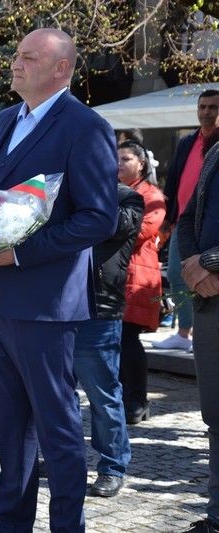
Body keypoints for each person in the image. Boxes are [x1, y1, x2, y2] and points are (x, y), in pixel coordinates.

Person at [0, 29, 118, 532]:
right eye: (16, 55)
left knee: (57, 429)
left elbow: (99, 218)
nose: (16, 64)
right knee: (10, 427)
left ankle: (66, 526)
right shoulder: (5, 119)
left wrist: (19, 254)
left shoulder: (86, 127)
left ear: (61, 69)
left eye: (29, 58)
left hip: (46, 302)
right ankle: (10, 523)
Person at [73, 183, 144, 498]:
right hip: (58, 306)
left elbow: (105, 223)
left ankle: (113, 467)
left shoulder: (127, 198)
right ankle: (67, 457)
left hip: (99, 309)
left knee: (103, 395)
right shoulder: (67, 190)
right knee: (60, 393)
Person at [154, 89, 219, 353]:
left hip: (210, 227)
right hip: (183, 221)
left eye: (213, 107)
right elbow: (173, 180)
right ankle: (184, 333)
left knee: (205, 275)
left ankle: (197, 333)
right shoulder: (188, 142)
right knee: (178, 274)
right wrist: (168, 217)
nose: (206, 112)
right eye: (202, 106)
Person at [177, 142, 219, 533]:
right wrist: (194, 269)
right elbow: (189, 218)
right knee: (217, 415)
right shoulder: (216, 154)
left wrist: (208, 263)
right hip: (210, 301)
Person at [117, 141, 165, 424]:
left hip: (138, 275)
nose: (119, 164)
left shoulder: (151, 194)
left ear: (141, 164)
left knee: (128, 338)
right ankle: (127, 398)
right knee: (117, 339)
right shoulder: (114, 190)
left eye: (125, 159)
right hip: (118, 274)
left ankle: (137, 400)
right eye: (116, 159)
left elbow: (140, 232)